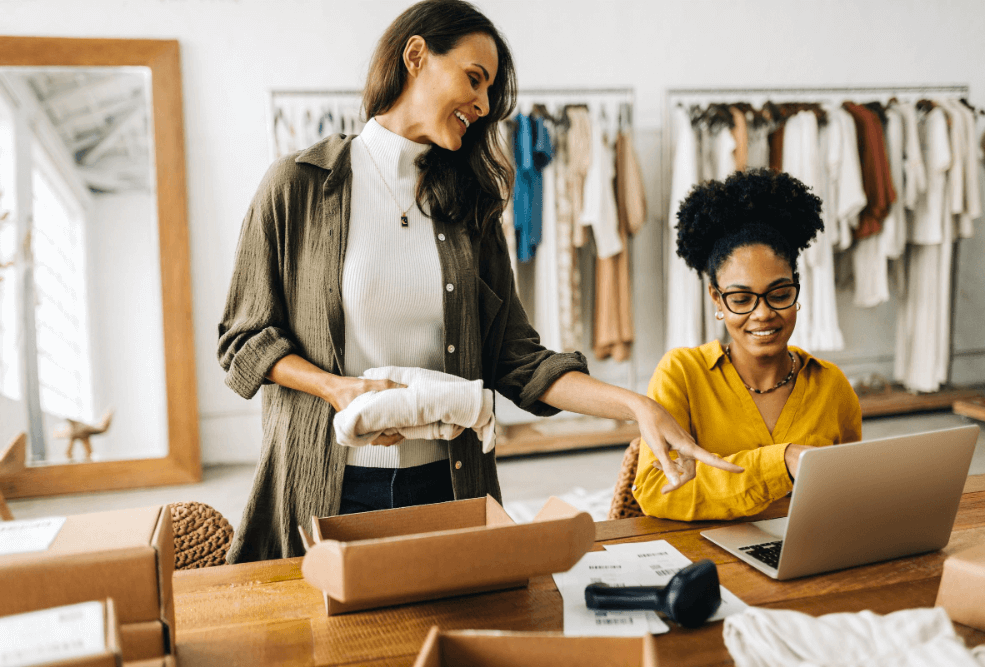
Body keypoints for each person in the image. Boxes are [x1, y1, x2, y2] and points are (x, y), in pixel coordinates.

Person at [218, 0, 740, 563]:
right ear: (415, 55)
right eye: (474, 79)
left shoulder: (469, 211)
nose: (484, 104)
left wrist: (638, 407)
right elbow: (244, 340)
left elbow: (518, 360)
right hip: (328, 489)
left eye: (489, 91)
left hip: (449, 485)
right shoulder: (297, 187)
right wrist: (337, 389)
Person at [633, 169, 862, 521]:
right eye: (741, 299)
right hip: (708, 562)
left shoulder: (831, 386)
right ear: (717, 299)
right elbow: (657, 492)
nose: (763, 314)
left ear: (796, 289)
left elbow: (849, 494)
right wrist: (781, 461)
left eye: (780, 294)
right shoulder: (683, 374)